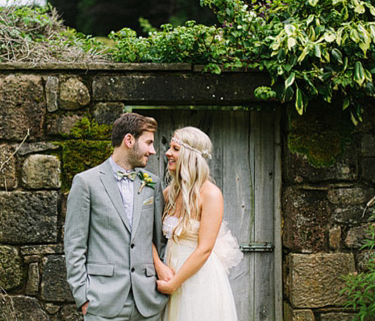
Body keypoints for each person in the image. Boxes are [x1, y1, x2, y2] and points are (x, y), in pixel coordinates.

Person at [64, 113, 170, 320]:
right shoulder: (86, 182)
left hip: (147, 304)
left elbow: (160, 240)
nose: (153, 150)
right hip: (102, 302)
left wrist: (159, 290)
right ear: (129, 140)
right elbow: (74, 244)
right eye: (148, 142)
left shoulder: (152, 184)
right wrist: (83, 296)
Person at [154, 127, 243, 321]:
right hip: (169, 271)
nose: (168, 153)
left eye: (175, 149)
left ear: (191, 155)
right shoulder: (169, 194)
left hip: (198, 279)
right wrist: (159, 266)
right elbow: (148, 234)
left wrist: (174, 283)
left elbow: (204, 249)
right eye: (170, 147)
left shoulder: (210, 195)